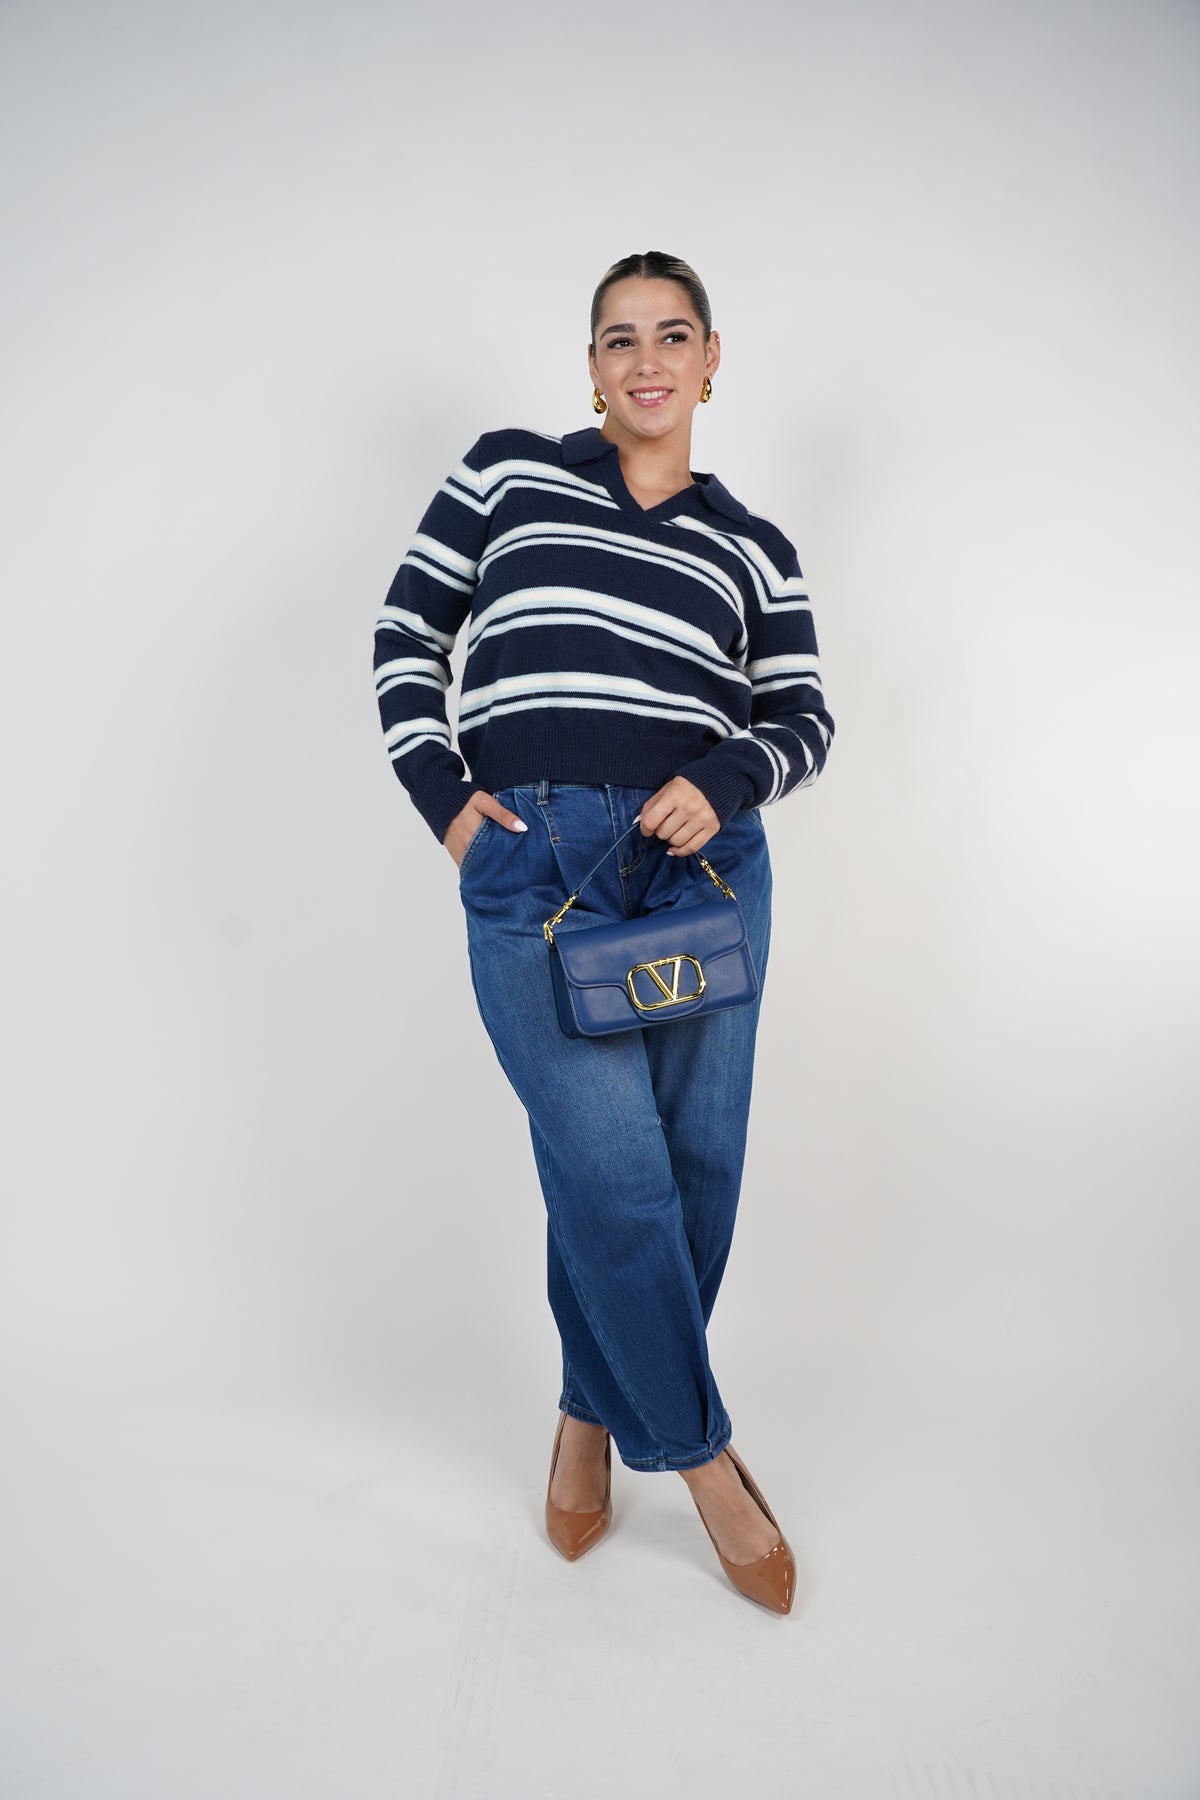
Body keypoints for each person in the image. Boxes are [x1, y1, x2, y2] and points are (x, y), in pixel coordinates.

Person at [372, 251, 833, 1614]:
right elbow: (406, 632)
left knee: (696, 1168)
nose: (646, 360)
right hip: (533, 860)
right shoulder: (507, 473)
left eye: (672, 335)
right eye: (619, 338)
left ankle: (586, 1414)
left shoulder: (756, 545)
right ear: (591, 367)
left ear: (709, 362)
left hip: (698, 869)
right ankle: (704, 1461)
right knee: (611, 1170)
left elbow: (803, 714)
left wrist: (729, 777)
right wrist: (449, 806)